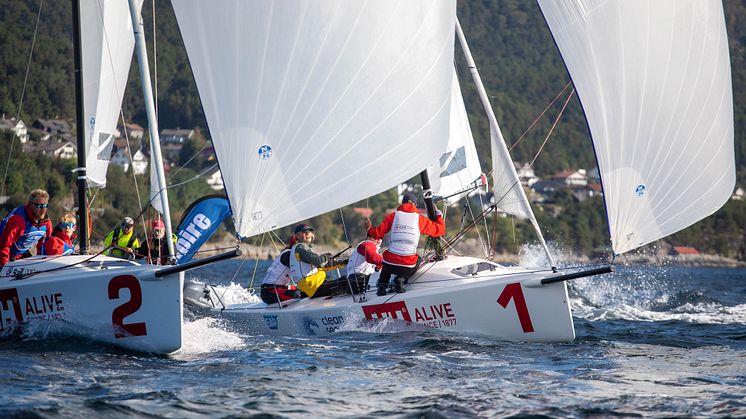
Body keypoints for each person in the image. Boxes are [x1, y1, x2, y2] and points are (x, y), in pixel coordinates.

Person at [366, 192, 445, 296]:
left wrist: (368, 230)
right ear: (415, 205)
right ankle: (400, 279)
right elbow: (440, 230)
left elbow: (377, 234)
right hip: (407, 267)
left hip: (390, 265)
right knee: (419, 258)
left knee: (387, 257)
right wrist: (438, 214)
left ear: (402, 203)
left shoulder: (393, 216)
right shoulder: (419, 218)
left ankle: (382, 285)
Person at [289, 223, 344, 298]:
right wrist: (326, 256)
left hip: (312, 286)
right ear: (297, 236)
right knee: (345, 282)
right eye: (304, 232)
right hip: (313, 287)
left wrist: (344, 262)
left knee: (342, 282)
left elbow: (322, 265)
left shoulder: (299, 248)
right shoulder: (300, 248)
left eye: (309, 231)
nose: (307, 233)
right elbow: (319, 262)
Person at [0, 189, 53, 267]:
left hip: (20, 254)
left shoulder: (47, 223)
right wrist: (4, 265)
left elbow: (44, 246)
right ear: (31, 205)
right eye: (39, 206)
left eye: (45, 205)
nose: (43, 209)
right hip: (3, 254)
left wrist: (43, 264)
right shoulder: (18, 220)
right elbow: (4, 244)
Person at [259, 235, 301, 304]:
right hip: (269, 291)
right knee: (300, 293)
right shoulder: (288, 255)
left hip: (281, 288)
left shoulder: (293, 254)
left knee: (303, 290)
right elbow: (301, 271)